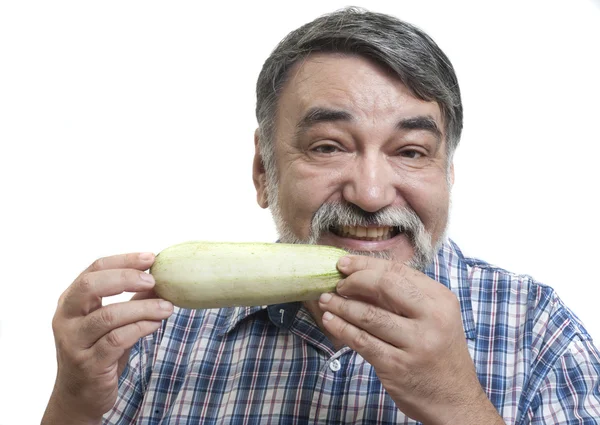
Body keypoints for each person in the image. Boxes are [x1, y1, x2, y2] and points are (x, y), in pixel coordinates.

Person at [42, 7, 600, 425]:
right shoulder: (157, 335)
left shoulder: (538, 329)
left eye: (410, 152)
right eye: (329, 146)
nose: (373, 193)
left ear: (448, 176)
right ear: (263, 172)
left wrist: (457, 403)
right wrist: (73, 400)